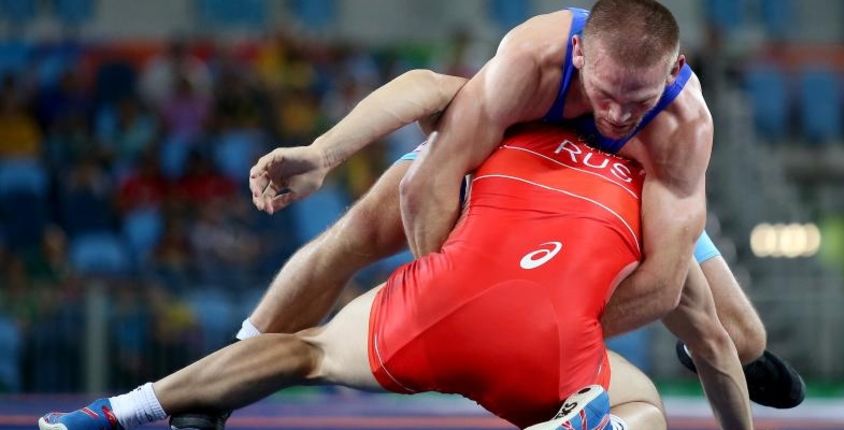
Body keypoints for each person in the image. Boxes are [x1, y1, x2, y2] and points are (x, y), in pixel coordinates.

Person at [247, 0, 802, 414]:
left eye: (638, 102)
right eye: (604, 95)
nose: (615, 116)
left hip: (617, 194)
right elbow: (429, 154)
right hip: (505, 168)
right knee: (356, 233)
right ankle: (240, 359)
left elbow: (662, 282)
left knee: (742, 340)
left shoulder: (686, 125)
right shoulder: (533, 57)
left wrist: (551, 326)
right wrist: (457, 293)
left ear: (672, 70)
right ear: (580, 54)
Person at [40, 122, 748, 430]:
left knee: (307, 348)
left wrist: (326, 153)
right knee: (645, 405)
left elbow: (417, 93)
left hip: (432, 302)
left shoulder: (514, 106)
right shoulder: (666, 206)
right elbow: (716, 345)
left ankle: (116, 412)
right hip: (552, 353)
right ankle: (596, 423)